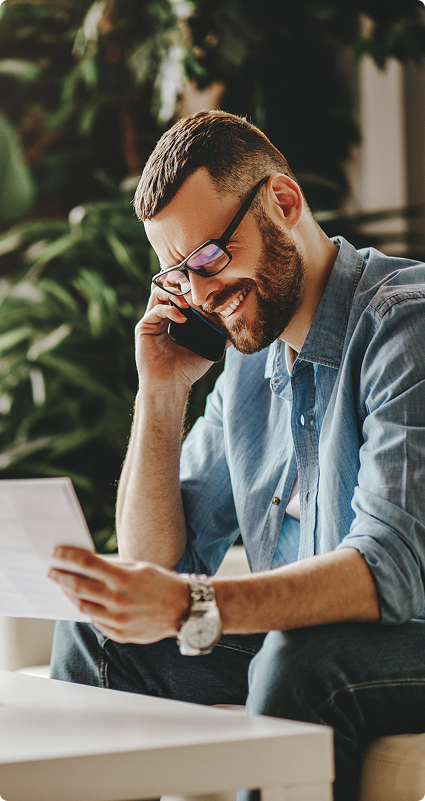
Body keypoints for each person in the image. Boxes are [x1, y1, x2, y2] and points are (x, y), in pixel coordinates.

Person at [49, 110, 425, 801]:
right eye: (177, 278)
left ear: (282, 202)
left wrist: (193, 603)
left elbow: (389, 570)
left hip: (406, 633)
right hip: (314, 641)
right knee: (96, 634)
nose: (201, 297)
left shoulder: (405, 324)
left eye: (211, 259)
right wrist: (160, 393)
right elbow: (154, 562)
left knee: (299, 660)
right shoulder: (249, 363)